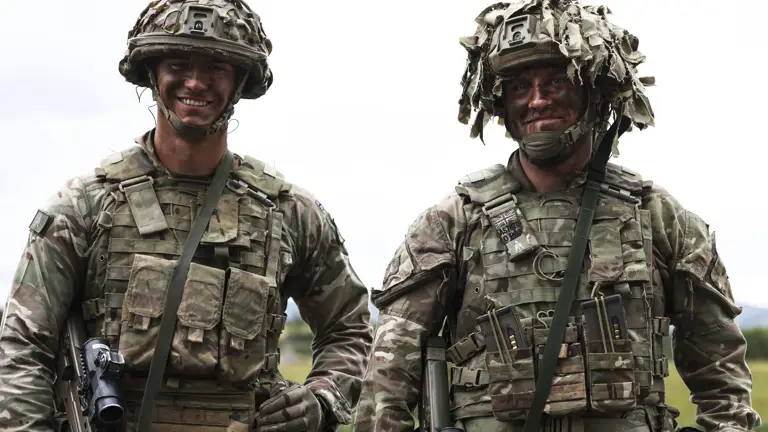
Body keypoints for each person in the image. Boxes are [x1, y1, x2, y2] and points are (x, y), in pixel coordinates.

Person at [354, 1, 760, 431]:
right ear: (501, 104)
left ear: (594, 95)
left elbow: (722, 376)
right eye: (518, 88)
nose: (537, 101)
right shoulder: (452, 221)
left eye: (557, 83)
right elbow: (387, 381)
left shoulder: (658, 216)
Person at [0, 1, 373, 431]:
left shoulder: (290, 214)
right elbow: (24, 348)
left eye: (216, 67)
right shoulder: (84, 206)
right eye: (178, 63)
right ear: (153, 73)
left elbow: (350, 327)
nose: (196, 82)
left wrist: (322, 399)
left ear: (239, 80)